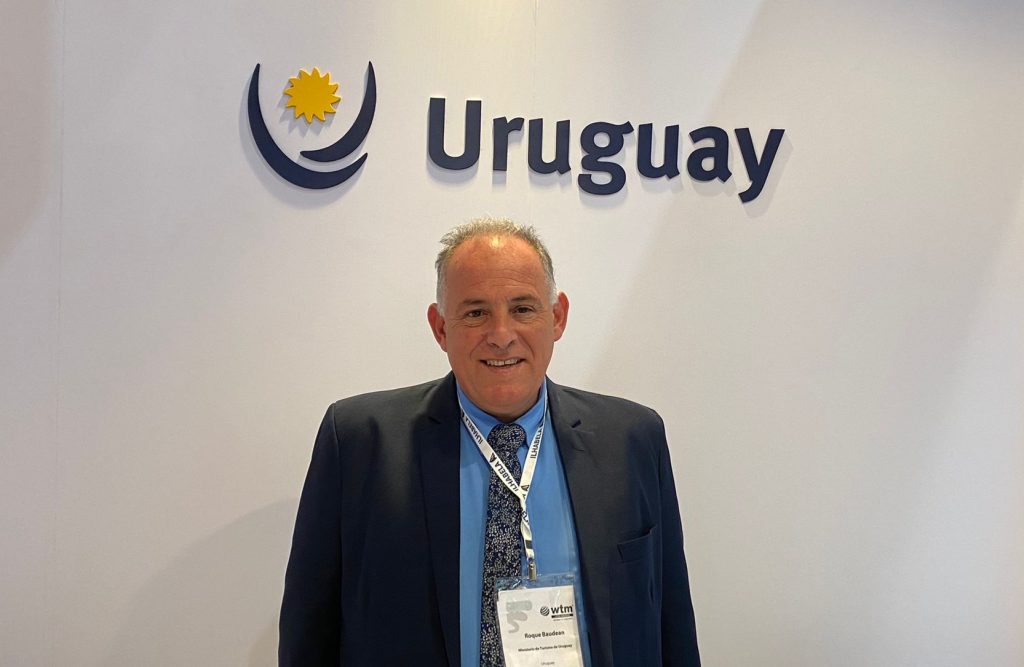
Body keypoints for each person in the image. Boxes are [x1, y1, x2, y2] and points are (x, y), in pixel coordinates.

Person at [279, 218, 700, 666]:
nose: (501, 335)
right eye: (476, 312)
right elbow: (310, 631)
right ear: (441, 328)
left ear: (557, 317)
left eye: (523, 309)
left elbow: (670, 623)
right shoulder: (360, 443)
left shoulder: (632, 440)